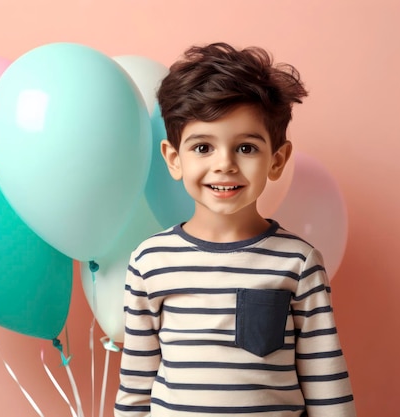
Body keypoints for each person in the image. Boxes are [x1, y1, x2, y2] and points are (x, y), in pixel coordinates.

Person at [114, 42, 356, 417]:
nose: (224, 164)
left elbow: (327, 387)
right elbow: (135, 386)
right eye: (202, 148)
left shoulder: (299, 262)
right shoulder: (150, 262)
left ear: (277, 161)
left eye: (245, 148)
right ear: (174, 159)